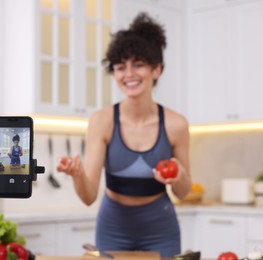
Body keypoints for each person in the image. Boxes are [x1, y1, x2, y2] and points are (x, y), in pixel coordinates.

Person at [56, 12, 191, 257]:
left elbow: (183, 191)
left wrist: (178, 175)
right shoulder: (102, 121)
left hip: (161, 228)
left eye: (138, 64)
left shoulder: (176, 124)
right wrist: (77, 175)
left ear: (156, 69)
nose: (128, 74)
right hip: (112, 227)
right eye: (120, 67)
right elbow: (88, 197)